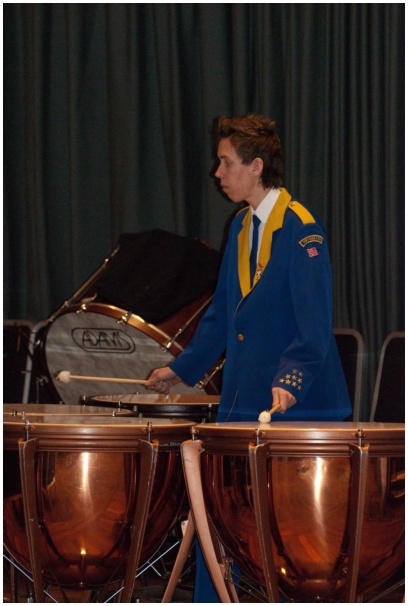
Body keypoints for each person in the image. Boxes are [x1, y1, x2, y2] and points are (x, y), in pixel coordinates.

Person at [145, 114, 351, 424]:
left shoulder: (302, 228)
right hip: (244, 397)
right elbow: (222, 313)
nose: (218, 172)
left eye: (226, 163)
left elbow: (314, 321)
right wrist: (181, 369)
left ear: (256, 166)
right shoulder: (240, 225)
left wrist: (293, 377)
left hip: (298, 402)